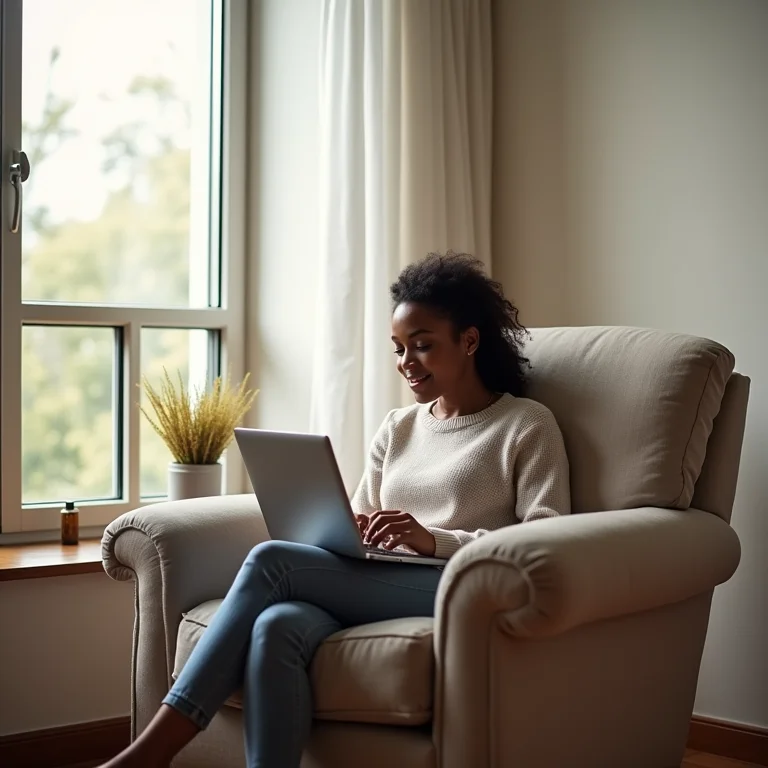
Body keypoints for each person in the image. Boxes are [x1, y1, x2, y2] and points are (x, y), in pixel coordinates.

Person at [101, 251, 571, 768]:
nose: (406, 363)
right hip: (382, 577)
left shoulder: (526, 424)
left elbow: (546, 542)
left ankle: (149, 754)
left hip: (458, 583)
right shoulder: (399, 427)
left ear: (470, 340)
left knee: (271, 560)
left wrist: (432, 539)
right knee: (276, 625)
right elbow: (363, 512)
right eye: (398, 349)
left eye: (423, 346)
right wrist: (356, 530)